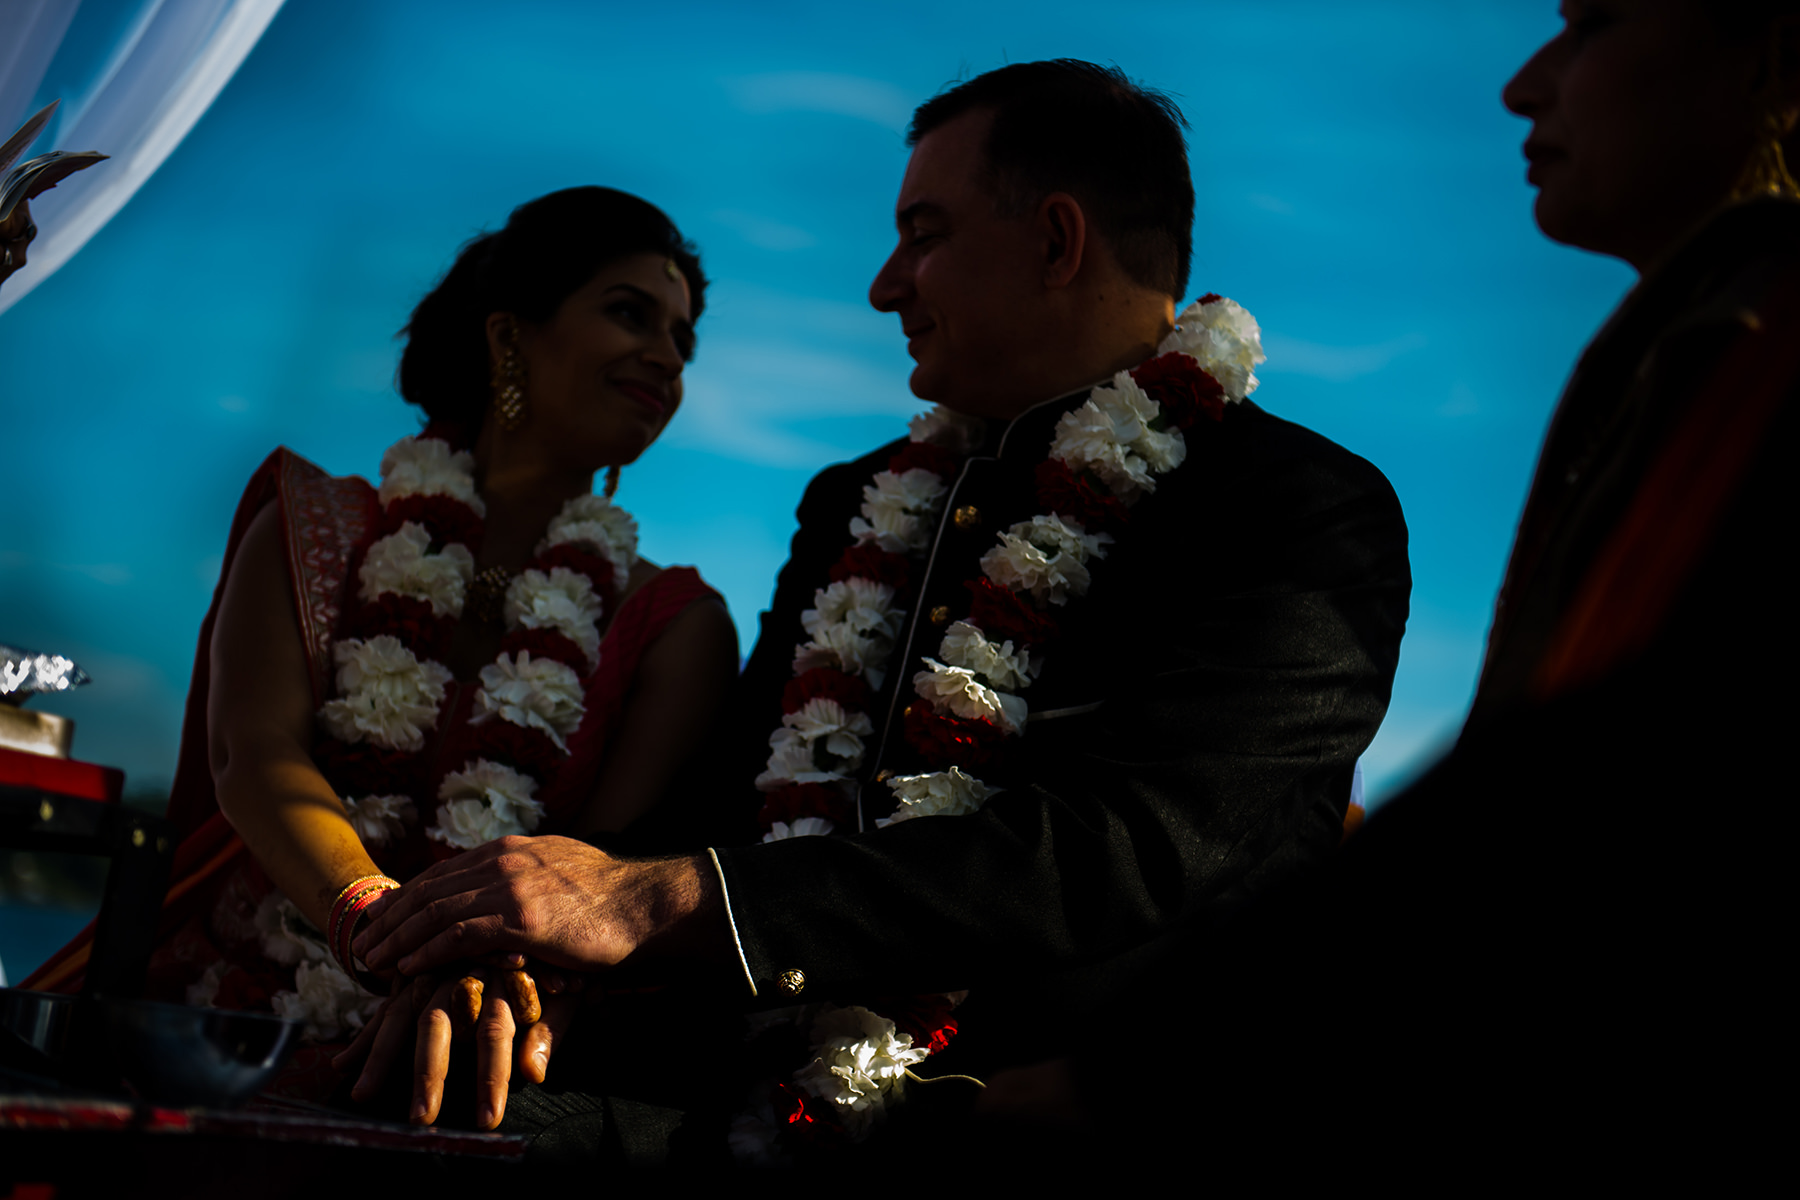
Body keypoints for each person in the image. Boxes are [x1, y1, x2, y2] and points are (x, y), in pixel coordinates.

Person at [351, 61, 1413, 1163]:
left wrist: (658, 903)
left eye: (923, 233)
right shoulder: (855, 502)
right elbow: (729, 801)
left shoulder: (1297, 510)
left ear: (1057, 242)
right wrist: (524, 954)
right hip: (745, 1095)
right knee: (403, 1122)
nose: (883, 285)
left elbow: (1131, 853)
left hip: (1048, 1131)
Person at [993, 1, 1800, 1180]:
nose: (1525, 84)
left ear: (1775, 51)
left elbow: (1611, 772)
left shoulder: (1762, 338)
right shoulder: (1697, 328)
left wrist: (1144, 1072)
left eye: (1593, 23)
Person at [23, 187, 739, 1113]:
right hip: (225, 1029)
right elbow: (255, 756)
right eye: (629, 313)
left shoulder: (678, 625)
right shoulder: (317, 525)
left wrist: (460, 971)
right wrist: (379, 930)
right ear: (508, 334)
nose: (666, 357)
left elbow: (596, 867)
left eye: (683, 336)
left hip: (477, 1054)